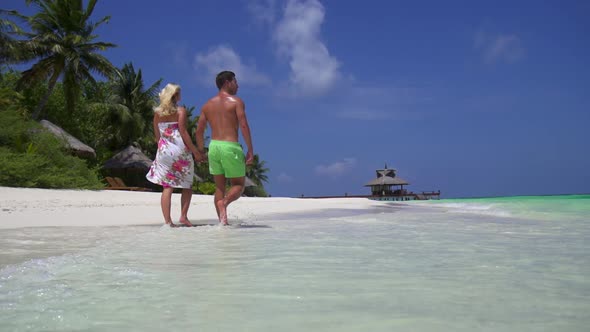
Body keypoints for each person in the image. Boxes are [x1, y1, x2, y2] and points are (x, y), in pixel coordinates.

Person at [195, 71, 254, 225]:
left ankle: (223, 222)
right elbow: (243, 125)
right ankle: (225, 203)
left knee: (219, 187)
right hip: (230, 146)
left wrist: (200, 151)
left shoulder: (207, 105)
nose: (238, 85)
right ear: (227, 82)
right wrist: (250, 149)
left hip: (213, 146)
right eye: (235, 81)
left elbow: (199, 130)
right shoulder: (236, 101)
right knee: (239, 185)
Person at [146, 83, 201, 227]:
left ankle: (168, 222)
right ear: (174, 95)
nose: (180, 95)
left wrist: (162, 149)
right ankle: (183, 216)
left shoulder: (158, 113)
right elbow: (183, 132)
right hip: (179, 150)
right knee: (187, 185)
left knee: (167, 186)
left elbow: (157, 136)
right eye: (179, 93)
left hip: (164, 150)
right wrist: (195, 150)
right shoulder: (180, 111)